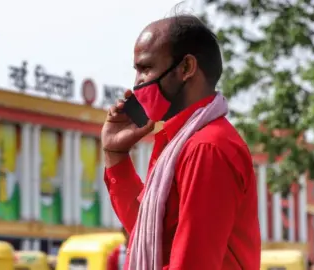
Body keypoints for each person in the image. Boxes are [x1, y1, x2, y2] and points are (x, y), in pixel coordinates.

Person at [101, 14, 260, 270]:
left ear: (186, 68)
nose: (137, 83)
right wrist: (115, 154)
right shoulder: (178, 142)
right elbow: (149, 236)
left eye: (146, 68)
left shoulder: (206, 147)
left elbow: (193, 264)